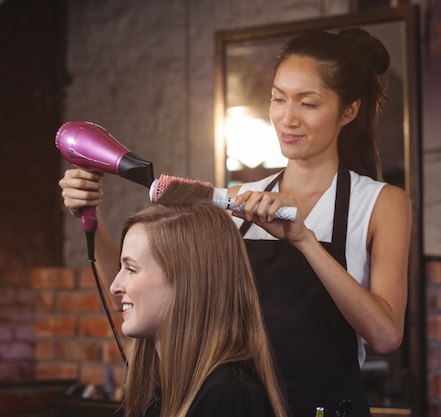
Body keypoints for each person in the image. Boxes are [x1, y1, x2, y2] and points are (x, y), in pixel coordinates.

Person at [58, 27, 411, 417]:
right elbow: (135, 289)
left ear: (349, 110)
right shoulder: (239, 199)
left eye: (308, 104)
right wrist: (93, 216)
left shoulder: (381, 203)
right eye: (278, 99)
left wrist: (305, 241)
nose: (287, 118)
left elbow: (386, 334)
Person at [110, 197, 287, 417]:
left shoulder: (225, 398)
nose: (114, 287)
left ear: (185, 281)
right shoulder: (170, 394)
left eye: (131, 269)